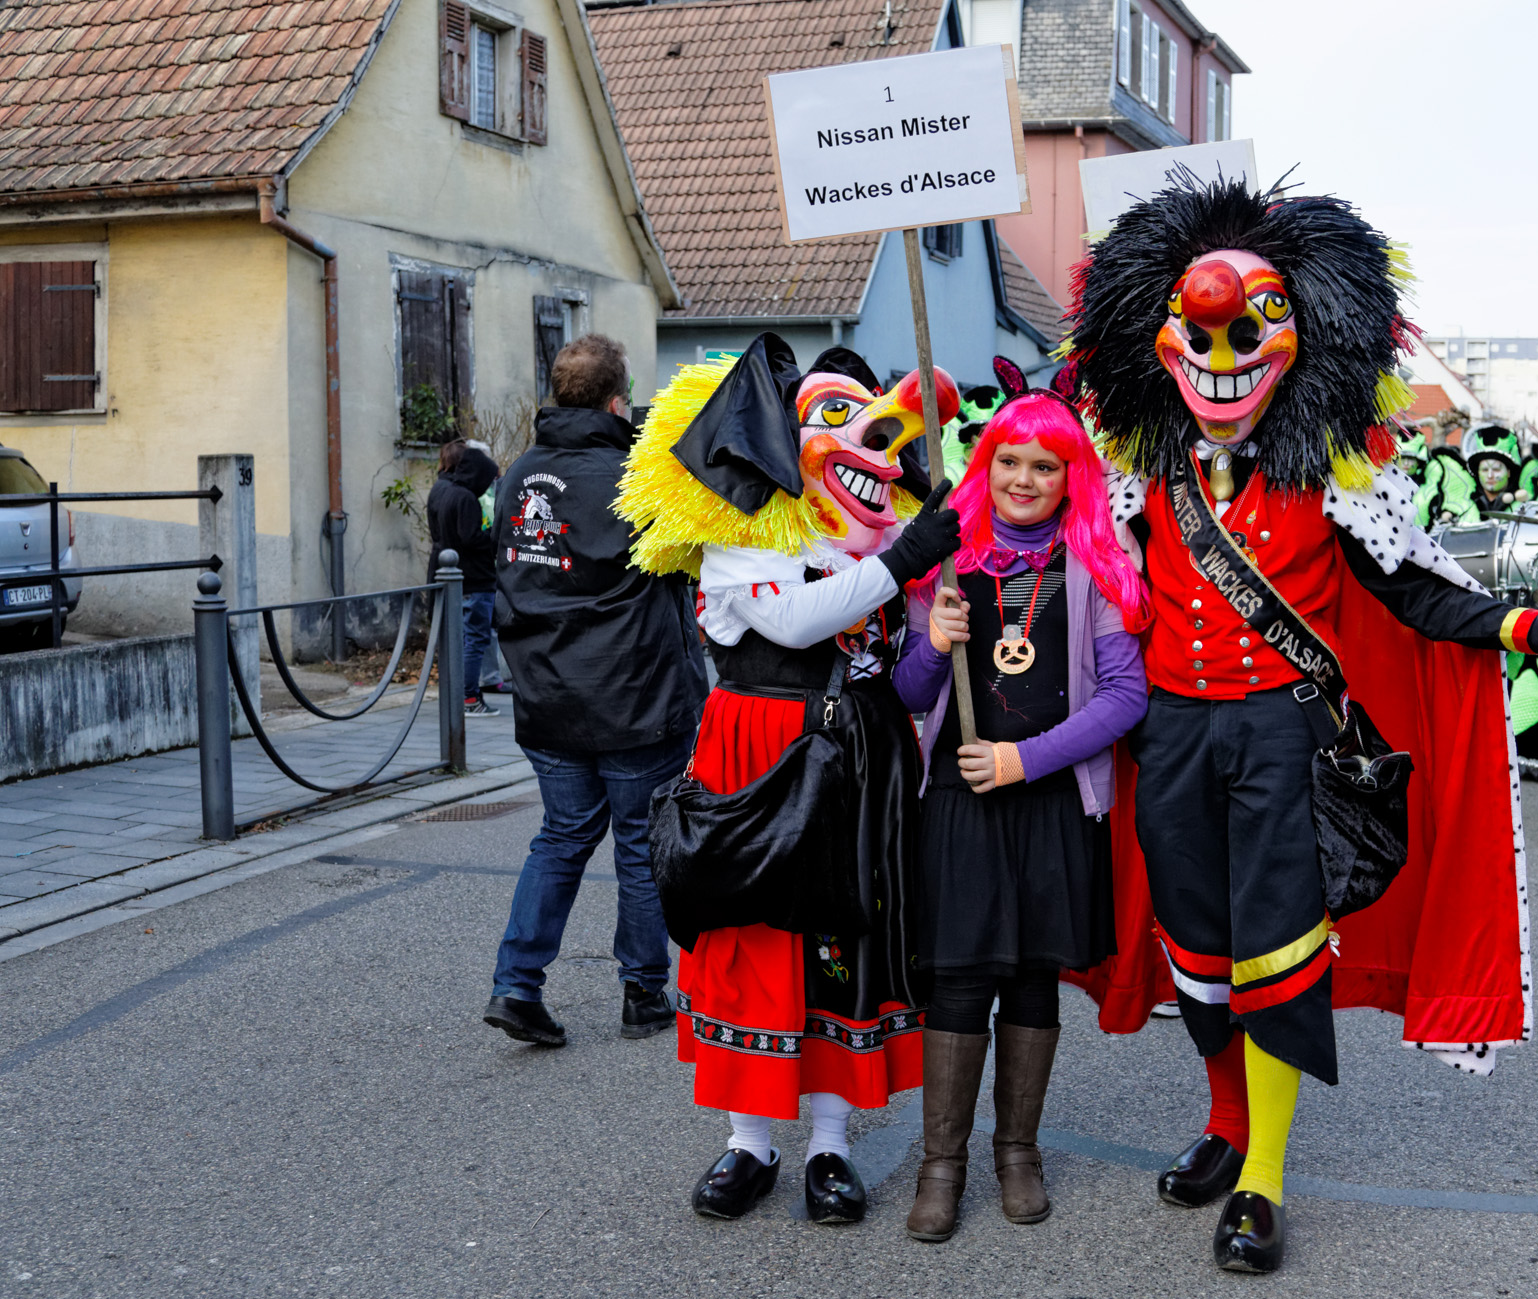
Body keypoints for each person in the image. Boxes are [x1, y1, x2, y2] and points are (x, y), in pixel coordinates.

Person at [1065, 176, 1538, 1274]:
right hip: (1170, 742)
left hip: (1285, 743)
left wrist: (1519, 625)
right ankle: (1226, 1122)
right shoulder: (1137, 476)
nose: (1221, 355)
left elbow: (1411, 594)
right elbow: (1083, 588)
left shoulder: (1334, 479)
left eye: (1249, 330)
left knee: (1276, 956)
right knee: (1198, 957)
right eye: (1197, 331)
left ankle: (1263, 1177)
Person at [618, 334, 962, 1226]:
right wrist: (905, 561)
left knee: (843, 947)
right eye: (837, 416)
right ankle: (750, 1143)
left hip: (865, 752)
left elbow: (903, 665)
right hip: (759, 750)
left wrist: (934, 603)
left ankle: (830, 1145)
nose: (869, 440)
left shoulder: (884, 531)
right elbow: (799, 622)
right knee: (753, 943)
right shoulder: (745, 529)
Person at [892, 363, 1149, 1242]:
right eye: (1010, 462)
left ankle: (1018, 1154)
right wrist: (933, 643)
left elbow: (1125, 697)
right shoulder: (946, 560)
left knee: (1034, 975)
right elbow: (908, 693)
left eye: (1045, 466)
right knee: (960, 975)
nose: (1025, 480)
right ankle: (941, 1165)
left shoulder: (1098, 565)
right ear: (986, 464)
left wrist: (1023, 760)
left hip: (1049, 799)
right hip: (959, 798)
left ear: (1071, 476)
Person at [484, 334, 709, 1049]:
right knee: (639, 843)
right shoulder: (636, 478)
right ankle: (643, 991)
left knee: (562, 835)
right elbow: (691, 563)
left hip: (547, 693)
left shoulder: (518, 474)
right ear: (619, 402)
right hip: (634, 695)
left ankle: (517, 984)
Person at [427, 437, 501, 716]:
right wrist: (495, 535)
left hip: (459, 577)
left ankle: (459, 694)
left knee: (462, 639)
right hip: (474, 578)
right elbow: (470, 538)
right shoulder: (465, 498)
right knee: (475, 639)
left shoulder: (446, 492)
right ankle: (470, 697)